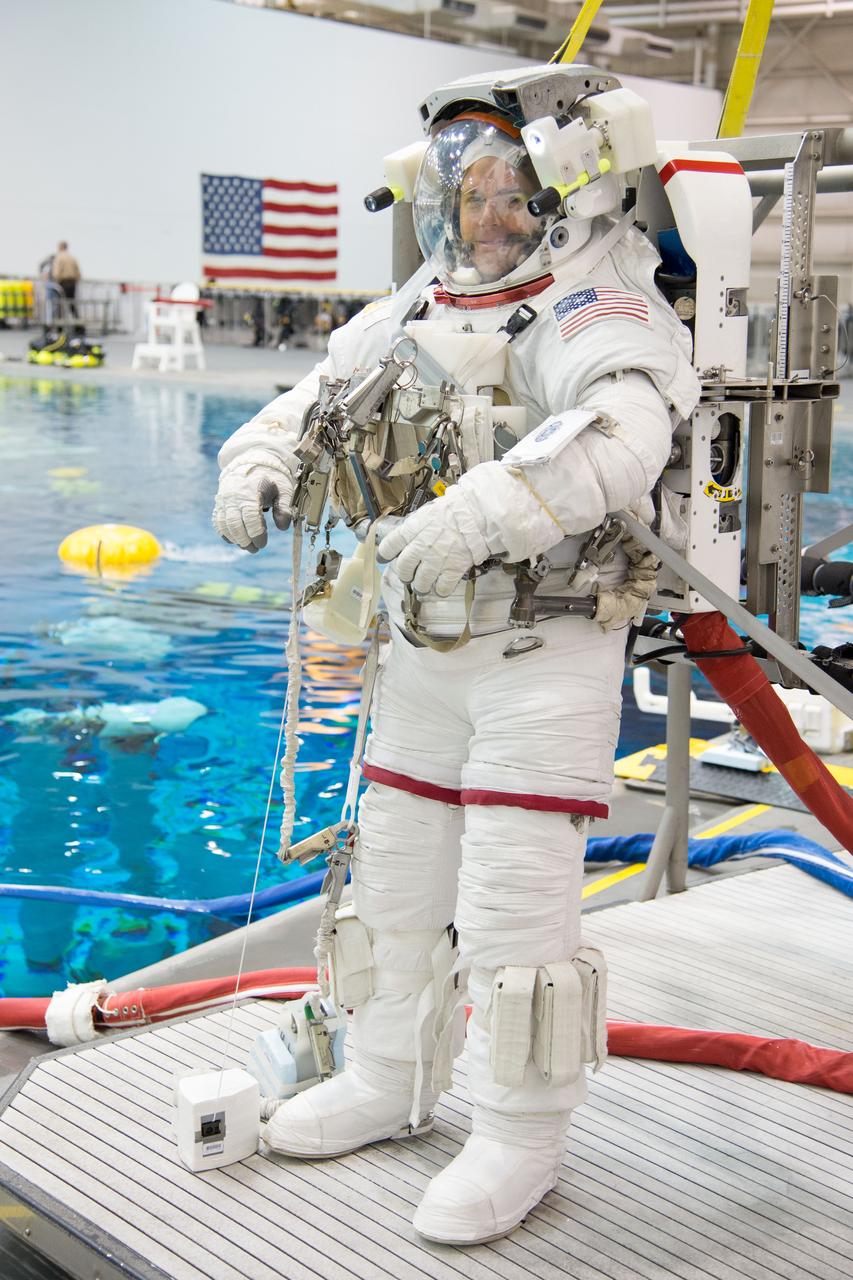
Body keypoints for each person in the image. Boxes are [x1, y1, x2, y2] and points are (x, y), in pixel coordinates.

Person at [213, 67, 700, 1245]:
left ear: (563, 194)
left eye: (507, 194)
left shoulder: (599, 301)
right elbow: (314, 398)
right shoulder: (418, 305)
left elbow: (621, 439)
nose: (484, 219)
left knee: (511, 903)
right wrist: (253, 462)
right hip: (424, 641)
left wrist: (473, 517)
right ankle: (387, 1079)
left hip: (546, 636)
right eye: (464, 195)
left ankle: (519, 1135)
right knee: (395, 879)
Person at [51, 241, 81, 319]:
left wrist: (55, 280)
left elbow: (56, 273)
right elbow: (78, 272)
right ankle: (78, 326)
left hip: (63, 283)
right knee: (72, 304)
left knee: (60, 304)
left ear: (60, 247)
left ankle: (60, 326)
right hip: (72, 283)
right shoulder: (72, 257)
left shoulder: (59, 257)